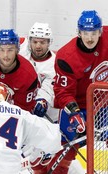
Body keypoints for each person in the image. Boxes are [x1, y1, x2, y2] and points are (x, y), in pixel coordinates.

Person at [48, 10, 108, 173]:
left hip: (104, 101)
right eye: (85, 33)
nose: (90, 38)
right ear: (79, 32)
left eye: (94, 33)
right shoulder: (66, 56)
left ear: (100, 31)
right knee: (66, 147)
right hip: (79, 105)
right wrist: (75, 114)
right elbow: (62, 92)